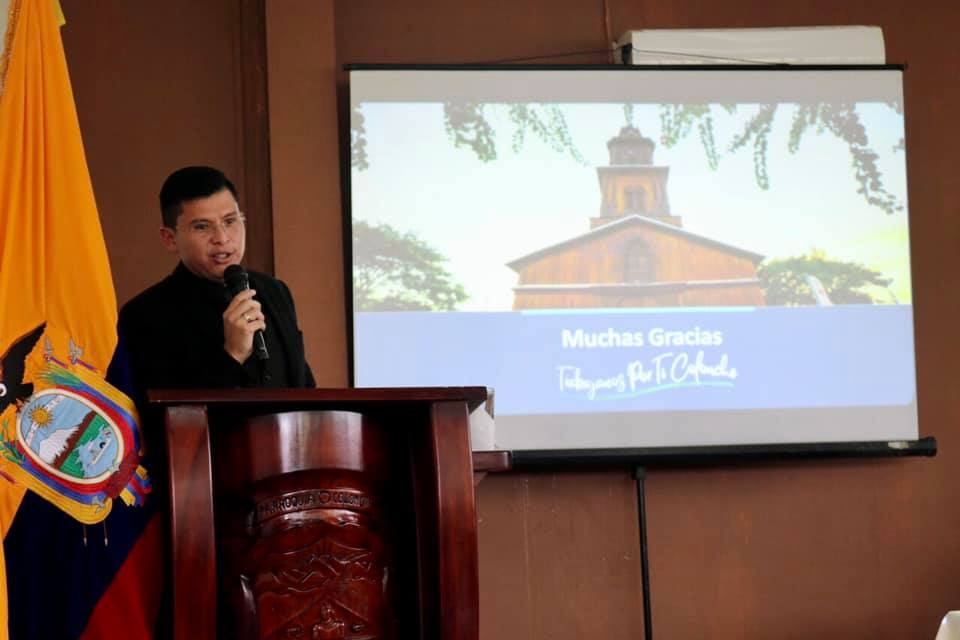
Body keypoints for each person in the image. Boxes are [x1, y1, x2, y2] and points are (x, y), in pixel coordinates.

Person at [118, 165, 314, 408]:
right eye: (202, 226)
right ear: (170, 238)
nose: (222, 238)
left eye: (230, 221)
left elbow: (306, 389)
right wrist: (232, 355)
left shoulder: (275, 291)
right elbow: (162, 415)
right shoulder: (144, 315)